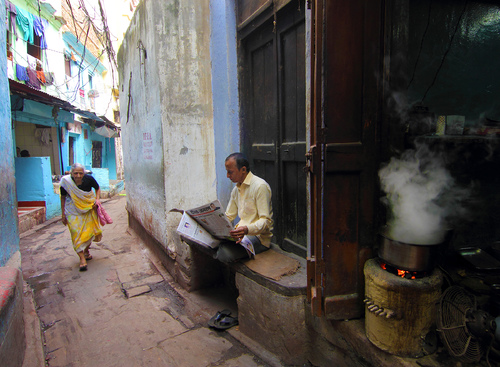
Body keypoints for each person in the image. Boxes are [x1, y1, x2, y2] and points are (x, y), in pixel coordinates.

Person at [215, 152, 273, 263]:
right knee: (212, 244)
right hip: (240, 235)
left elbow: (266, 221)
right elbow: (229, 216)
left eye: (230, 172)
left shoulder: (260, 186)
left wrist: (247, 230)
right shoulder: (236, 189)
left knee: (224, 253)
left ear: (243, 169)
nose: (227, 176)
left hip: (258, 238)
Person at [60, 163, 102, 271]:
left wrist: (97, 200)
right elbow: (63, 198)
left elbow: (97, 188)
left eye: (80, 173)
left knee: (88, 232)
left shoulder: (89, 179)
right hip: (72, 211)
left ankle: (86, 252)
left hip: (88, 209)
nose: (78, 175)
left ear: (84, 173)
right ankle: (82, 258)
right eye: (75, 173)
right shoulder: (66, 182)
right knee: (75, 233)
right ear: (71, 173)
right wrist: (63, 214)